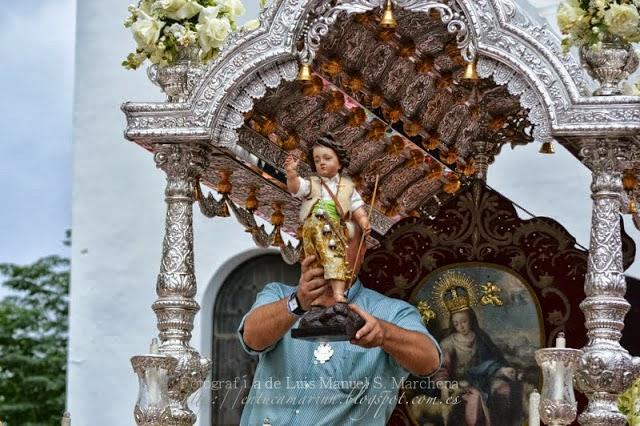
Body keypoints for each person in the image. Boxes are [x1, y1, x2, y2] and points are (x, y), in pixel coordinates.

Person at [237, 224, 442, 425]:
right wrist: (297, 302)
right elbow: (251, 338)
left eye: (342, 238)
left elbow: (429, 361)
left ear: (362, 250)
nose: (330, 247)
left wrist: (383, 334)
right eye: (321, 236)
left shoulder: (392, 313)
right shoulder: (278, 295)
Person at [284, 133, 370, 304]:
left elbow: (357, 208)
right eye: (317, 160)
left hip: (329, 226)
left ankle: (338, 293)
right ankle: (317, 296)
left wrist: (363, 221)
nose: (321, 163)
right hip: (310, 227)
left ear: (339, 163)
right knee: (314, 262)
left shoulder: (346, 188)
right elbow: (295, 188)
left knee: (333, 256)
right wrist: (291, 173)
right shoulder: (313, 183)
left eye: (327, 158)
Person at [435, 307, 521, 425]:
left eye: (464, 321)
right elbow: (442, 368)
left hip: (484, 378)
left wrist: (502, 369)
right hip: (461, 382)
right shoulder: (448, 343)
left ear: (471, 320)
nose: (461, 326)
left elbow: (493, 360)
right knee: (475, 397)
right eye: (456, 323)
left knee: (504, 388)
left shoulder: (481, 338)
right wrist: (443, 386)